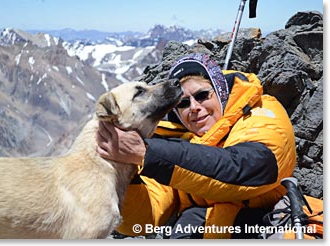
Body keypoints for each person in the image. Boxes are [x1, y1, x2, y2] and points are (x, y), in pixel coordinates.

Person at [96, 53, 297, 239]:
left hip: (265, 224)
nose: (194, 108)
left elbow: (249, 168)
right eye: (183, 104)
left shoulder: (259, 111)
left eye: (202, 95)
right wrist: (126, 176)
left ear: (220, 92)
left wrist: (146, 153)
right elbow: (144, 217)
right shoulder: (180, 141)